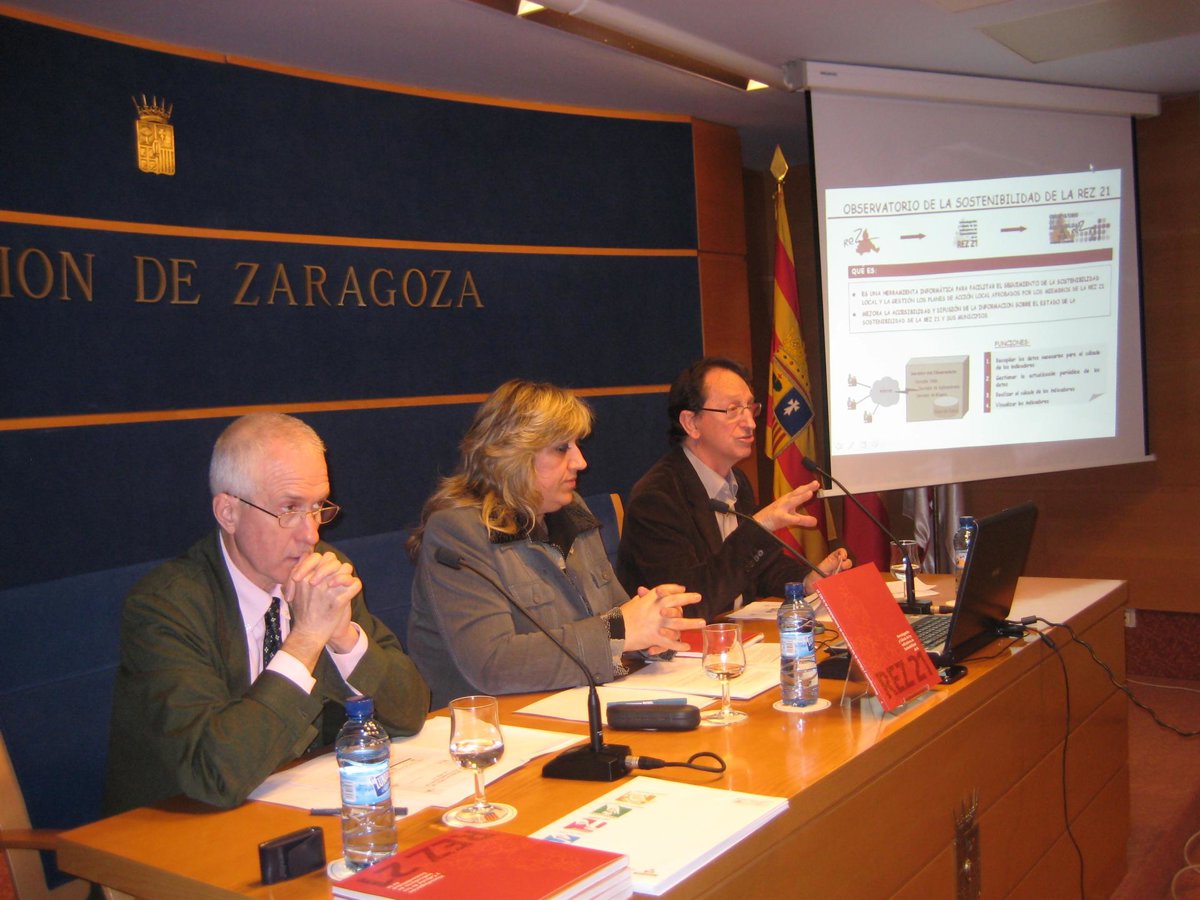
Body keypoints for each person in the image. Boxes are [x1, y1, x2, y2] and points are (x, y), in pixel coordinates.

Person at [104, 413, 429, 814]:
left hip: (287, 808)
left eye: (317, 507)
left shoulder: (320, 571)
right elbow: (215, 774)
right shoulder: (166, 607)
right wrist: (306, 640)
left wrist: (343, 638)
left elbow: (409, 714)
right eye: (289, 509)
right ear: (228, 513)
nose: (310, 534)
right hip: (177, 826)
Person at [407, 380, 704, 710]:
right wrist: (620, 632)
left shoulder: (571, 511)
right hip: (494, 722)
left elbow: (615, 619)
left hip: (573, 704)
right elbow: (492, 664)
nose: (581, 462)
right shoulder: (458, 532)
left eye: (577, 445)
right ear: (514, 455)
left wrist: (651, 630)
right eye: (562, 448)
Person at [617, 357, 850, 620]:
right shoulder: (657, 498)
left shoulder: (737, 481)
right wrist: (758, 529)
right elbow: (687, 605)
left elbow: (758, 568)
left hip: (739, 635)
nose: (750, 422)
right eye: (733, 409)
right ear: (691, 423)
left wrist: (807, 581)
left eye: (750, 407)